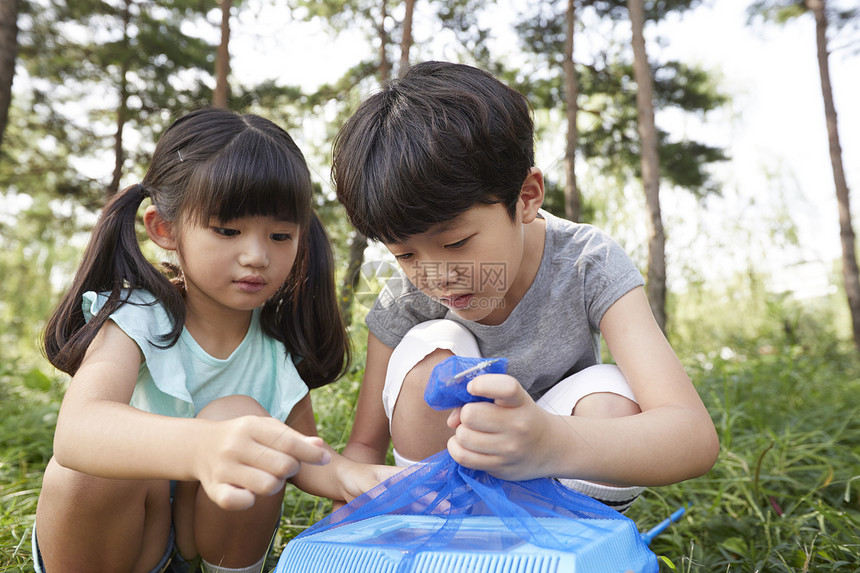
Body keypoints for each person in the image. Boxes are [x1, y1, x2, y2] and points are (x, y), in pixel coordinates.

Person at [333, 61, 719, 513]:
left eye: (456, 242)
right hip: (445, 488)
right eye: (405, 254)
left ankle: (546, 544)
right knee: (433, 347)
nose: (435, 276)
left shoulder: (585, 263)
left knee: (612, 396)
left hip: (555, 476)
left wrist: (547, 441)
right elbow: (363, 449)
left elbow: (692, 436)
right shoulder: (407, 298)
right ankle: (446, 528)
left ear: (528, 197)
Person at [34, 108, 394, 573]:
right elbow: (76, 433)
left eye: (281, 235)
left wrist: (348, 474)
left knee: (242, 416)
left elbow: (303, 453)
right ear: (164, 229)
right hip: (125, 538)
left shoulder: (275, 350)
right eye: (227, 230)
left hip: (215, 539)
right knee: (86, 469)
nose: (257, 256)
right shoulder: (135, 318)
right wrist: (203, 448)